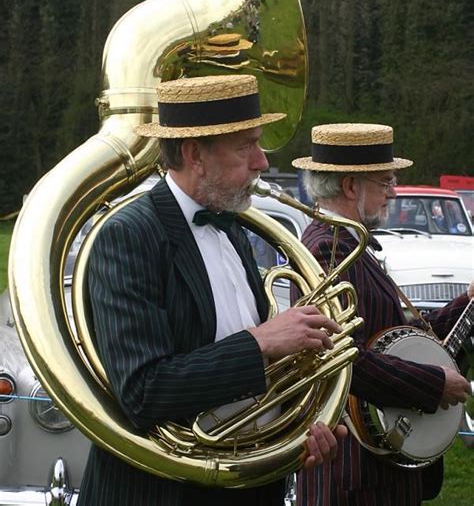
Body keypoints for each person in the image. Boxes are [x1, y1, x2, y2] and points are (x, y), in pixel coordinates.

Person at [77, 74, 347, 506]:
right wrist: (260, 343)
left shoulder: (234, 227)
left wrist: (300, 425)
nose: (262, 161)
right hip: (161, 492)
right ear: (194, 154)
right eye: (246, 146)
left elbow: (249, 371)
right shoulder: (129, 234)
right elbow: (144, 392)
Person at [291, 123, 473, 506]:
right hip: (354, 474)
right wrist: (434, 385)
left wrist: (467, 301)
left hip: (377, 471)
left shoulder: (349, 243)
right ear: (350, 186)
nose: (393, 192)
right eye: (385, 181)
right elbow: (343, 359)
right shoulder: (329, 250)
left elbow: (398, 339)